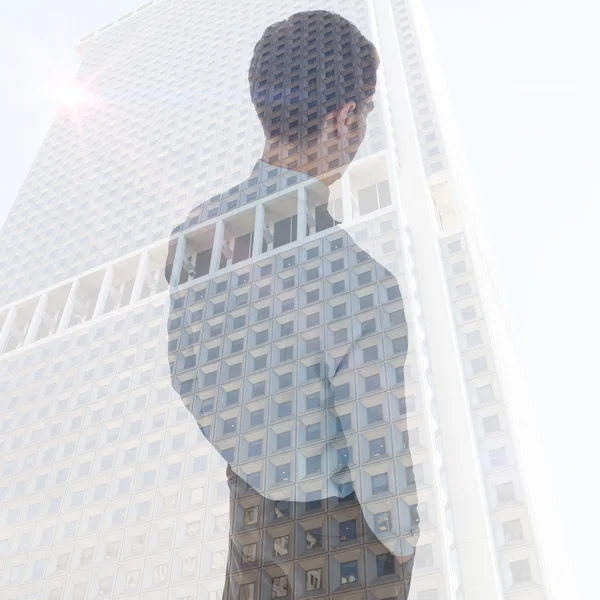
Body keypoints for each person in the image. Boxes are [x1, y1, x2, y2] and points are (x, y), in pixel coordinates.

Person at [165, 10, 418, 600]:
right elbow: (383, 475)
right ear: (345, 117)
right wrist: (398, 557)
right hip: (346, 548)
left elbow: (187, 375)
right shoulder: (364, 284)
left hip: (250, 537)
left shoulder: (196, 235)